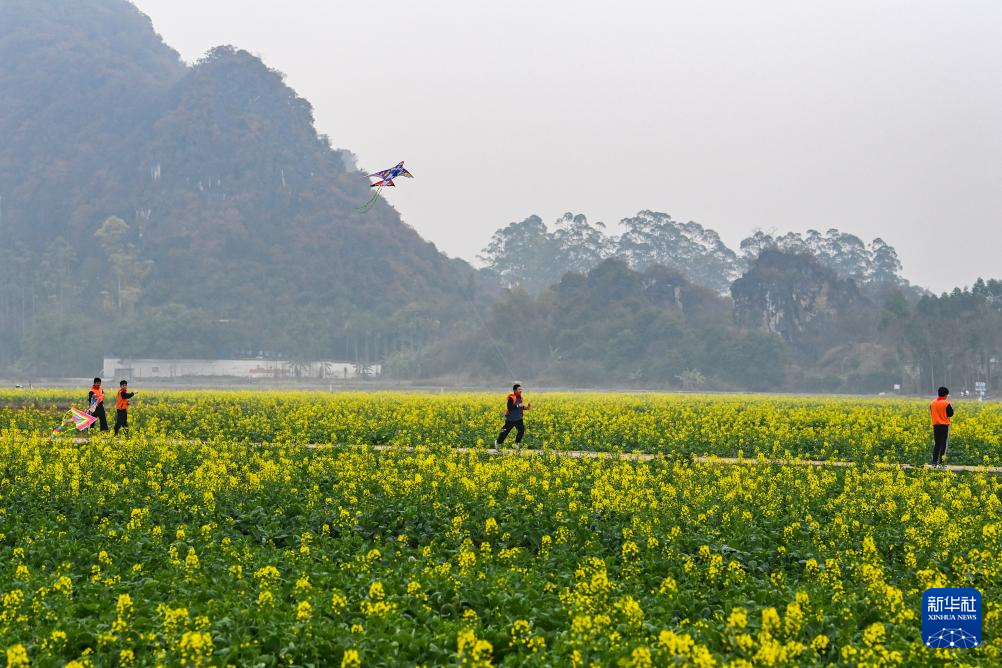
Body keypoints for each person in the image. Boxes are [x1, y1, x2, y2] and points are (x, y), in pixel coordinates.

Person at [494, 383, 531, 450]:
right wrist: (517, 406)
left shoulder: (520, 397)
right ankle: (498, 442)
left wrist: (526, 408)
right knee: (504, 432)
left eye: (521, 389)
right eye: (519, 389)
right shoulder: (511, 398)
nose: (521, 390)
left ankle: (517, 443)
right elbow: (509, 407)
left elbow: (520, 407)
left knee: (521, 430)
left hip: (518, 418)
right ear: (515, 390)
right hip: (510, 419)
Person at [930, 386, 954, 468]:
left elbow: (932, 412)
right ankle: (942, 463)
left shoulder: (932, 403)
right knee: (943, 445)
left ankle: (934, 463)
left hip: (936, 426)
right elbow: (950, 414)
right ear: (945, 395)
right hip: (944, 426)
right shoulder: (946, 403)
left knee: (937, 444)